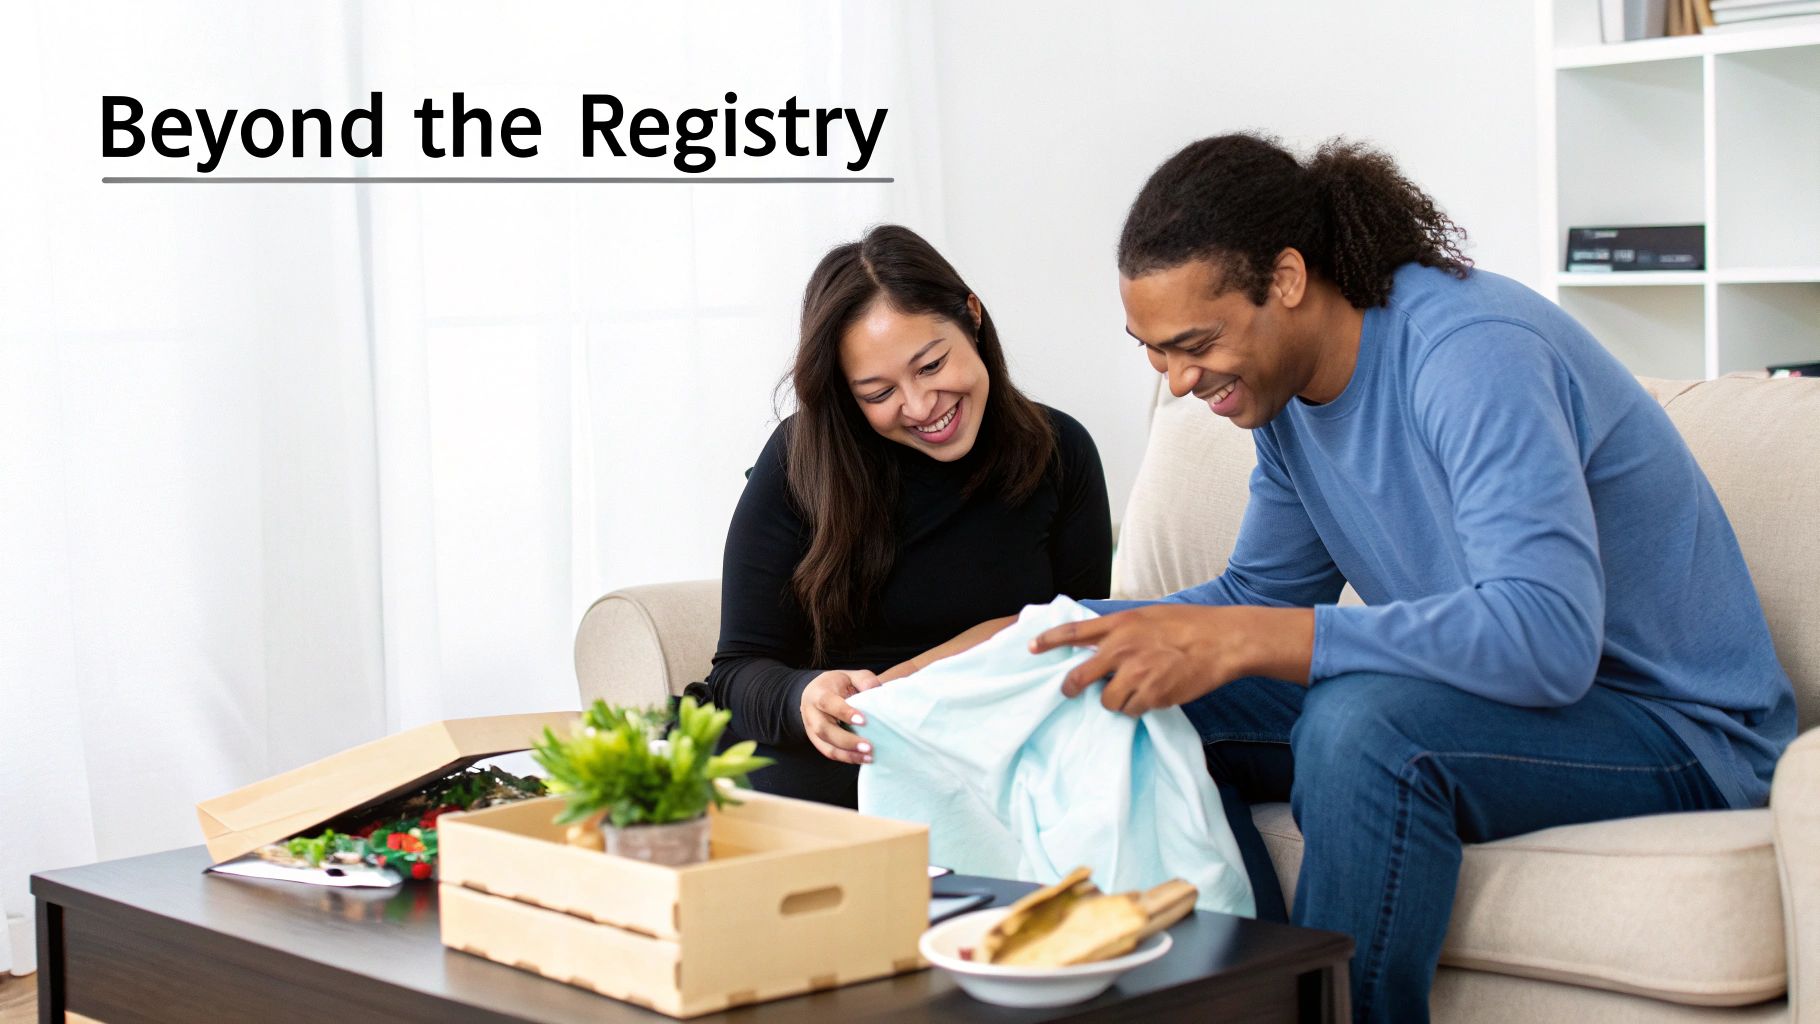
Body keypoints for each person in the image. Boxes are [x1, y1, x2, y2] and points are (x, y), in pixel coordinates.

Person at [1017, 134, 1796, 1023]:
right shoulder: (1287, 398)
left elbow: (1546, 638)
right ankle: (1251, 998)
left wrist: (1251, 642)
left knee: (1363, 728)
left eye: (1196, 342)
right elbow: (1251, 601)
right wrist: (1041, 633)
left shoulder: (1468, 352)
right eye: (1154, 351)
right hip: (1503, 703)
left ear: (1286, 279)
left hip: (1675, 726)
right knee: (1111, 684)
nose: (1181, 379)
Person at [686, 224, 1113, 809]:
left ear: (972, 315)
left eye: (932, 366)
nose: (919, 407)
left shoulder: (1060, 451)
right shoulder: (801, 458)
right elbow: (735, 673)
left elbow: (1080, 640)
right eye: (878, 393)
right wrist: (805, 696)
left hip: (995, 746)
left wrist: (917, 676)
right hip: (841, 751)